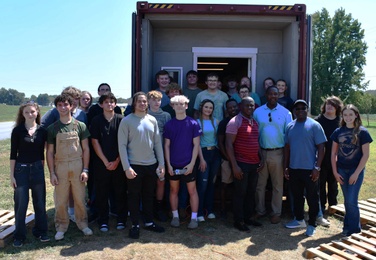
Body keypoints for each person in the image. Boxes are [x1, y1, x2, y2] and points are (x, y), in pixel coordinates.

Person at [118, 92, 165, 239]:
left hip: (151, 165)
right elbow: (122, 145)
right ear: (134, 103)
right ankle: (135, 224)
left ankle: (149, 222)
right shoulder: (126, 121)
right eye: (139, 101)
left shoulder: (152, 120)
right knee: (133, 196)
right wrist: (126, 167)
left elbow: (157, 143)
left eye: (144, 101)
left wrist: (161, 163)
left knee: (148, 195)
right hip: (134, 166)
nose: (142, 104)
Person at [46, 94, 93, 241]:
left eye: (66, 104)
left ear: (71, 106)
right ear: (56, 107)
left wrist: (85, 169)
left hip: (77, 165)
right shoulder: (52, 128)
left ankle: (82, 223)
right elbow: (49, 152)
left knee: (79, 197)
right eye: (59, 105)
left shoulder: (80, 126)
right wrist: (52, 173)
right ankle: (61, 226)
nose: (63, 108)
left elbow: (86, 149)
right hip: (60, 166)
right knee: (60, 199)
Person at [284, 99, 326, 237]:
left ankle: (312, 224)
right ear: (294, 111)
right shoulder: (290, 126)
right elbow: (287, 148)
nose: (300, 111)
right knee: (297, 196)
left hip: (310, 169)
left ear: (307, 109)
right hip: (294, 168)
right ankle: (299, 219)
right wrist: (286, 167)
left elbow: (321, 148)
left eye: (303, 108)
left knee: (313, 197)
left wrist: (317, 168)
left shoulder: (315, 125)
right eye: (297, 109)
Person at [10, 101, 50, 247]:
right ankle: (19, 235)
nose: (30, 114)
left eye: (32, 111)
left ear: (37, 112)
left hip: (37, 169)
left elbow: (42, 154)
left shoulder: (42, 131)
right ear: (22, 114)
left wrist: (41, 169)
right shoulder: (17, 131)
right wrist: (12, 175)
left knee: (40, 202)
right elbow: (13, 154)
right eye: (27, 112)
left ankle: (41, 231)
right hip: (21, 170)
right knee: (21, 204)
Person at [331, 104, 372, 236]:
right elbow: (333, 154)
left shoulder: (362, 132)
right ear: (342, 116)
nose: (348, 117)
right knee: (347, 200)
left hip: (356, 171)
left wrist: (356, 173)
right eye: (345, 115)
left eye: (350, 114)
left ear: (356, 115)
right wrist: (335, 172)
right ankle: (348, 227)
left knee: (351, 200)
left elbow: (365, 155)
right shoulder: (338, 132)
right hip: (342, 170)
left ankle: (354, 229)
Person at [254, 86, 292, 224]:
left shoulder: (286, 113)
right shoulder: (258, 112)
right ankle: (260, 210)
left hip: (278, 152)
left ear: (279, 95)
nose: (273, 96)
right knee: (260, 185)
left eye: (275, 94)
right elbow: (254, 133)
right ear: (266, 95)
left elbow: (288, 137)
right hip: (261, 152)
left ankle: (276, 212)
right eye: (270, 94)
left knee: (277, 185)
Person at [90, 92, 127, 232]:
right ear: (101, 105)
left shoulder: (121, 119)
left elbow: (124, 142)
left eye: (112, 102)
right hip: (101, 163)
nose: (109, 104)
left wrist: (117, 160)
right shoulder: (96, 120)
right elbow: (95, 142)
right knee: (101, 193)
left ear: (115, 104)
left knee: (120, 191)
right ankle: (103, 220)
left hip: (119, 162)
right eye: (106, 102)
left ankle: (121, 219)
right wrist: (106, 162)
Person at [164, 95, 201, 229]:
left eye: (182, 104)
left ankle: (194, 218)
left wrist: (192, 164)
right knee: (174, 190)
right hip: (173, 164)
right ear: (172, 106)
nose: (179, 106)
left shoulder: (193, 123)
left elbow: (196, 145)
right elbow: (166, 146)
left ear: (186, 106)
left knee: (192, 191)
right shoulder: (169, 125)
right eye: (176, 104)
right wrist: (168, 164)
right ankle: (175, 217)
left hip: (188, 164)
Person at [226, 97, 262, 232]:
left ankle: (248, 218)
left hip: (254, 163)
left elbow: (256, 142)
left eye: (252, 106)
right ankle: (238, 221)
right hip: (241, 163)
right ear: (241, 106)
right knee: (240, 193)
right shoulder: (235, 122)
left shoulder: (254, 121)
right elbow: (228, 145)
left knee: (251, 192)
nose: (250, 108)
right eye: (247, 106)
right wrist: (234, 166)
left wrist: (262, 158)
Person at [315, 96, 343, 218]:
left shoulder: (341, 122)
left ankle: (333, 206)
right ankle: (320, 206)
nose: (329, 106)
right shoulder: (318, 121)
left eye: (333, 105)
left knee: (333, 183)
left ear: (337, 108)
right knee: (320, 183)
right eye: (327, 104)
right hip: (321, 157)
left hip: (336, 157)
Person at [147, 90, 171, 222]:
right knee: (149, 182)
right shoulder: (144, 115)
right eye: (154, 100)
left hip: (162, 153)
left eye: (159, 100)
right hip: (147, 154)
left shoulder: (166, 115)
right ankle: (147, 208)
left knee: (161, 180)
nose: (157, 102)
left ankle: (159, 207)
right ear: (149, 101)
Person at [196, 99, 221, 222]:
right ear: (202, 108)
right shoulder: (196, 123)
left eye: (210, 108)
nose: (208, 110)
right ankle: (199, 212)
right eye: (206, 107)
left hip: (214, 154)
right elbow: (197, 143)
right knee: (202, 184)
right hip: (203, 154)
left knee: (211, 182)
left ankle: (209, 210)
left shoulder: (216, 122)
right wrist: (201, 159)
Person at [217, 98, 238, 219]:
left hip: (240, 159)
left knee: (238, 186)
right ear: (227, 109)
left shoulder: (241, 121)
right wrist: (228, 159)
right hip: (226, 159)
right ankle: (223, 208)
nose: (232, 109)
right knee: (225, 184)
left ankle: (235, 207)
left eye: (234, 107)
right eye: (230, 107)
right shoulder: (223, 123)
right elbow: (220, 143)